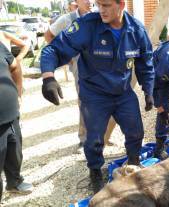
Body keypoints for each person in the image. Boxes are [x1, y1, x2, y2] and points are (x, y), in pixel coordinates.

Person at [40, 0, 154, 193]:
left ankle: (133, 163)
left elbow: (146, 62)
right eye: (98, 4)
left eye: (106, 5)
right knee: (94, 140)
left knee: (136, 132)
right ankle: (95, 172)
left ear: (121, 5)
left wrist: (149, 91)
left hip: (123, 92)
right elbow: (54, 49)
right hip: (94, 94)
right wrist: (48, 78)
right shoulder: (87, 26)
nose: (101, 10)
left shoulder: (136, 30)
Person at [44, 0, 93, 147]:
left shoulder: (98, 15)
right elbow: (49, 35)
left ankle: (101, 136)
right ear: (77, 1)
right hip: (79, 66)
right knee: (84, 101)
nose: (90, 1)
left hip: (98, 64)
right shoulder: (67, 19)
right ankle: (84, 138)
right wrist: (66, 57)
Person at [0, 42, 33, 202]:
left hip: (11, 113)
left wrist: (18, 89)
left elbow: (14, 66)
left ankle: (14, 182)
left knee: (14, 151)